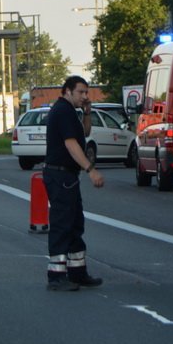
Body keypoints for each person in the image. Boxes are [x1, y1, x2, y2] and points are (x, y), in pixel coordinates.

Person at [42, 75, 104, 291]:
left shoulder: (71, 112)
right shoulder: (62, 111)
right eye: (81, 92)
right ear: (67, 91)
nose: (85, 96)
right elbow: (71, 145)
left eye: (87, 92)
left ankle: (77, 272)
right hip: (60, 175)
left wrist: (87, 113)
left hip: (67, 176)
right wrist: (90, 169)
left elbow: (85, 134)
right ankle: (57, 276)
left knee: (75, 223)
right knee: (62, 225)